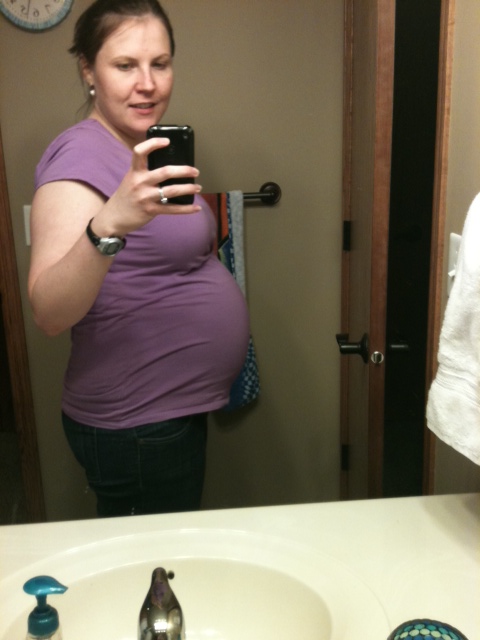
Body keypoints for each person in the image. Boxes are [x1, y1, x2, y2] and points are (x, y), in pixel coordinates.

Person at [28, 0, 250, 518]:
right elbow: (49, 313)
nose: (147, 84)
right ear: (88, 70)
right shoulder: (79, 157)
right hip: (138, 424)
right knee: (152, 562)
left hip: (161, 414)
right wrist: (109, 224)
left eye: (160, 63)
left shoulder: (141, 148)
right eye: (125, 65)